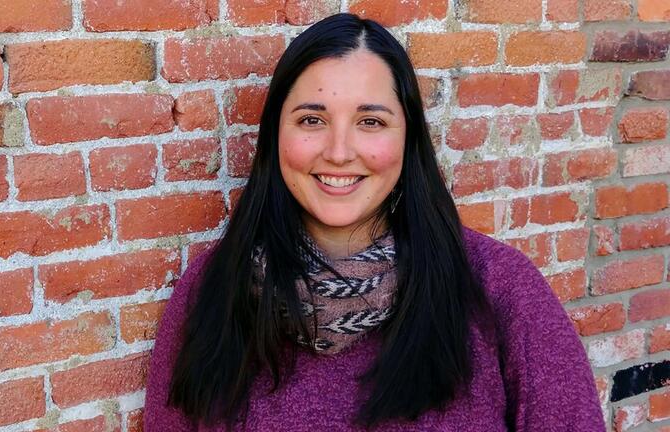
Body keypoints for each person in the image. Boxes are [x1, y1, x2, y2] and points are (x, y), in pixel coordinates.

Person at [144, 13, 606, 431]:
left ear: (408, 139)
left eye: (370, 121)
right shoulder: (212, 291)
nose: (340, 151)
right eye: (311, 119)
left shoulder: (501, 291)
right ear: (275, 136)